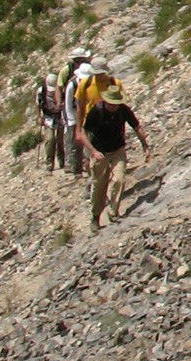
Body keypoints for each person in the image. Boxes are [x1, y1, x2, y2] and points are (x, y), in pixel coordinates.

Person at [76, 65, 149, 231]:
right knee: (99, 186)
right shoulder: (96, 111)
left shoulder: (124, 110)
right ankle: (95, 217)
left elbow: (136, 127)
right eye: (111, 104)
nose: (113, 106)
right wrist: (92, 153)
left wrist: (145, 145)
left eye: (116, 104)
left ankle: (113, 212)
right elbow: (84, 134)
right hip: (99, 151)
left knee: (119, 179)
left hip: (117, 149)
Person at [60, 46, 94, 176]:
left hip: (88, 114)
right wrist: (71, 121)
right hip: (74, 114)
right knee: (74, 142)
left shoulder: (92, 82)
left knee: (88, 141)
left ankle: (89, 166)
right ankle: (76, 169)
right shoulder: (72, 84)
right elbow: (68, 103)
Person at [34, 72, 66, 171]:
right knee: (51, 139)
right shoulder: (41, 91)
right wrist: (39, 117)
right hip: (48, 117)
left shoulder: (62, 90)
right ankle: (49, 164)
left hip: (60, 116)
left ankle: (62, 160)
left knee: (60, 140)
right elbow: (38, 104)